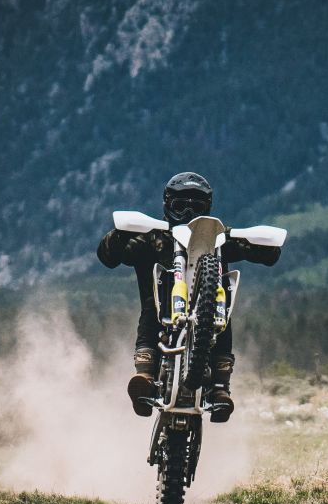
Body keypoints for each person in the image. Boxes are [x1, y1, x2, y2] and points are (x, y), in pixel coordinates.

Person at [97, 172, 281, 422]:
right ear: (167, 204)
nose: (187, 214)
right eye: (180, 206)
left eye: (197, 207)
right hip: (160, 312)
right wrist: (121, 232)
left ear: (208, 208)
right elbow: (108, 257)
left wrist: (264, 243)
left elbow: (268, 256)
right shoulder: (153, 236)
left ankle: (220, 385)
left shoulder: (218, 239)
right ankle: (146, 374)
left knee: (223, 314)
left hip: (207, 315)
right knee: (152, 310)